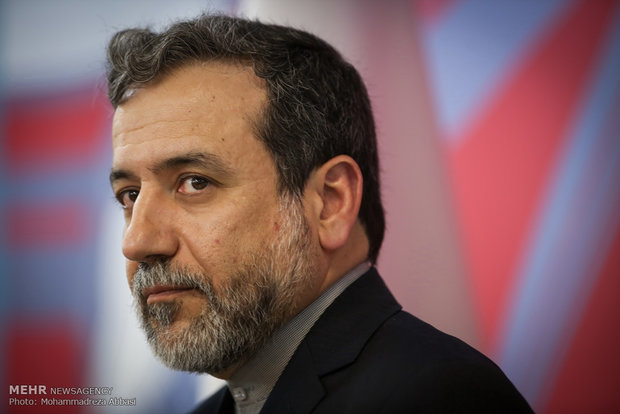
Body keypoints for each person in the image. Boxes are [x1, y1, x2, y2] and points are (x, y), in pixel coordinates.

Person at [106, 14, 533, 414]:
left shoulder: (439, 395)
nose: (137, 242)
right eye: (129, 195)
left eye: (195, 182)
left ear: (331, 202)